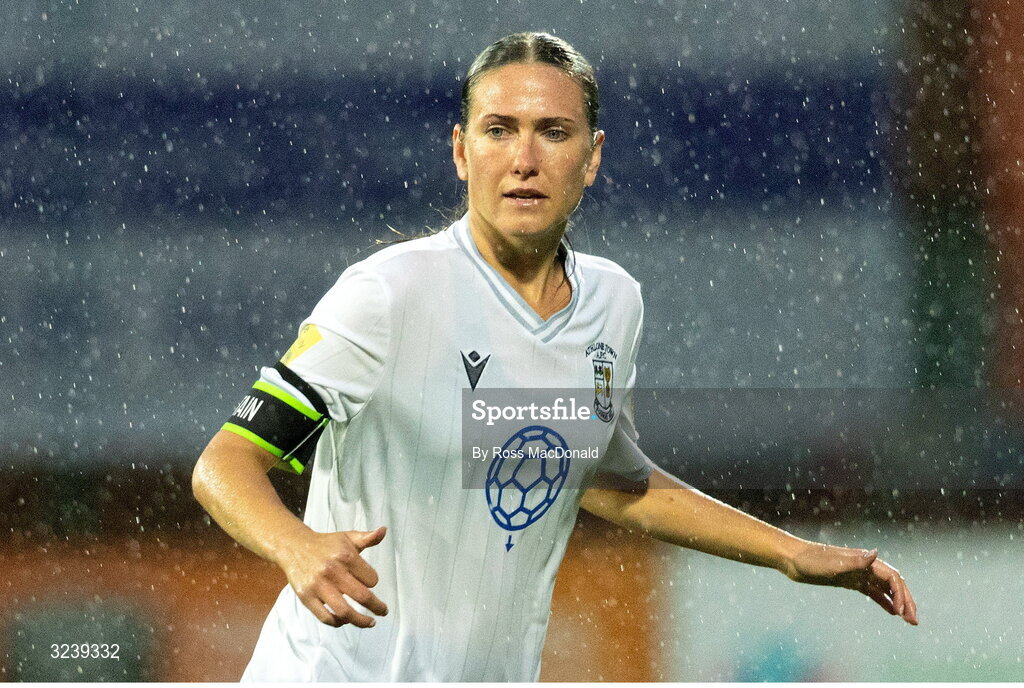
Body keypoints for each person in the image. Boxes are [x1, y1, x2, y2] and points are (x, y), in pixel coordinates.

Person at [192, 31, 918, 682]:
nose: (524, 160)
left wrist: (791, 555)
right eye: (499, 130)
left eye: (554, 132)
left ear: (593, 156)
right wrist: (295, 545)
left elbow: (605, 477)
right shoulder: (390, 294)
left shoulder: (613, 304)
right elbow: (224, 463)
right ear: (460, 150)